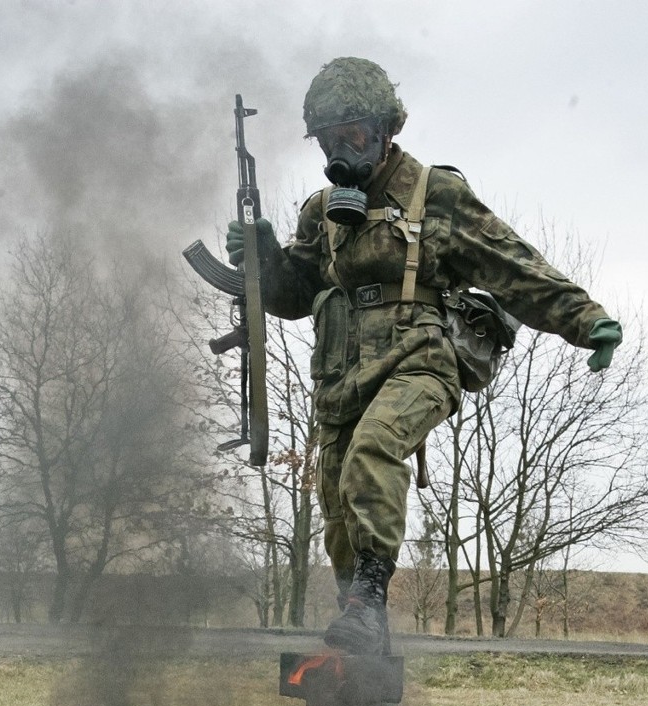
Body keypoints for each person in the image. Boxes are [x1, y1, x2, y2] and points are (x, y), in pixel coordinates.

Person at [226, 57, 623, 655]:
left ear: (387, 130)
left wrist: (585, 319)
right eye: (329, 139)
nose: (342, 150)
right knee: (335, 506)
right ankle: (358, 632)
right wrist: (262, 258)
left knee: (373, 453)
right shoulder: (322, 212)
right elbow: (295, 295)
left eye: (353, 134)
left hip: (420, 358)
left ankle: (369, 604)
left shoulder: (433, 193)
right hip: (340, 374)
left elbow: (512, 265)